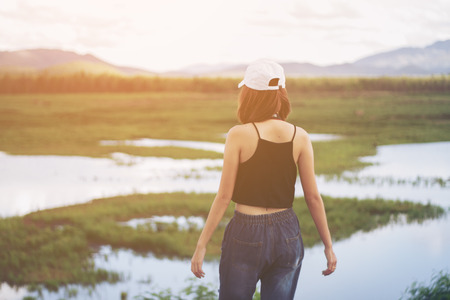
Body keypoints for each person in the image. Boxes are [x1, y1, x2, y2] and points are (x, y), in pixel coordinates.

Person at [191, 59, 337, 299]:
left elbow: (224, 196)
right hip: (288, 232)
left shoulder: (238, 135)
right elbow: (313, 197)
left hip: (245, 233)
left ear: (249, 95)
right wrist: (328, 247)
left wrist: (201, 245)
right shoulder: (300, 136)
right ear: (281, 94)